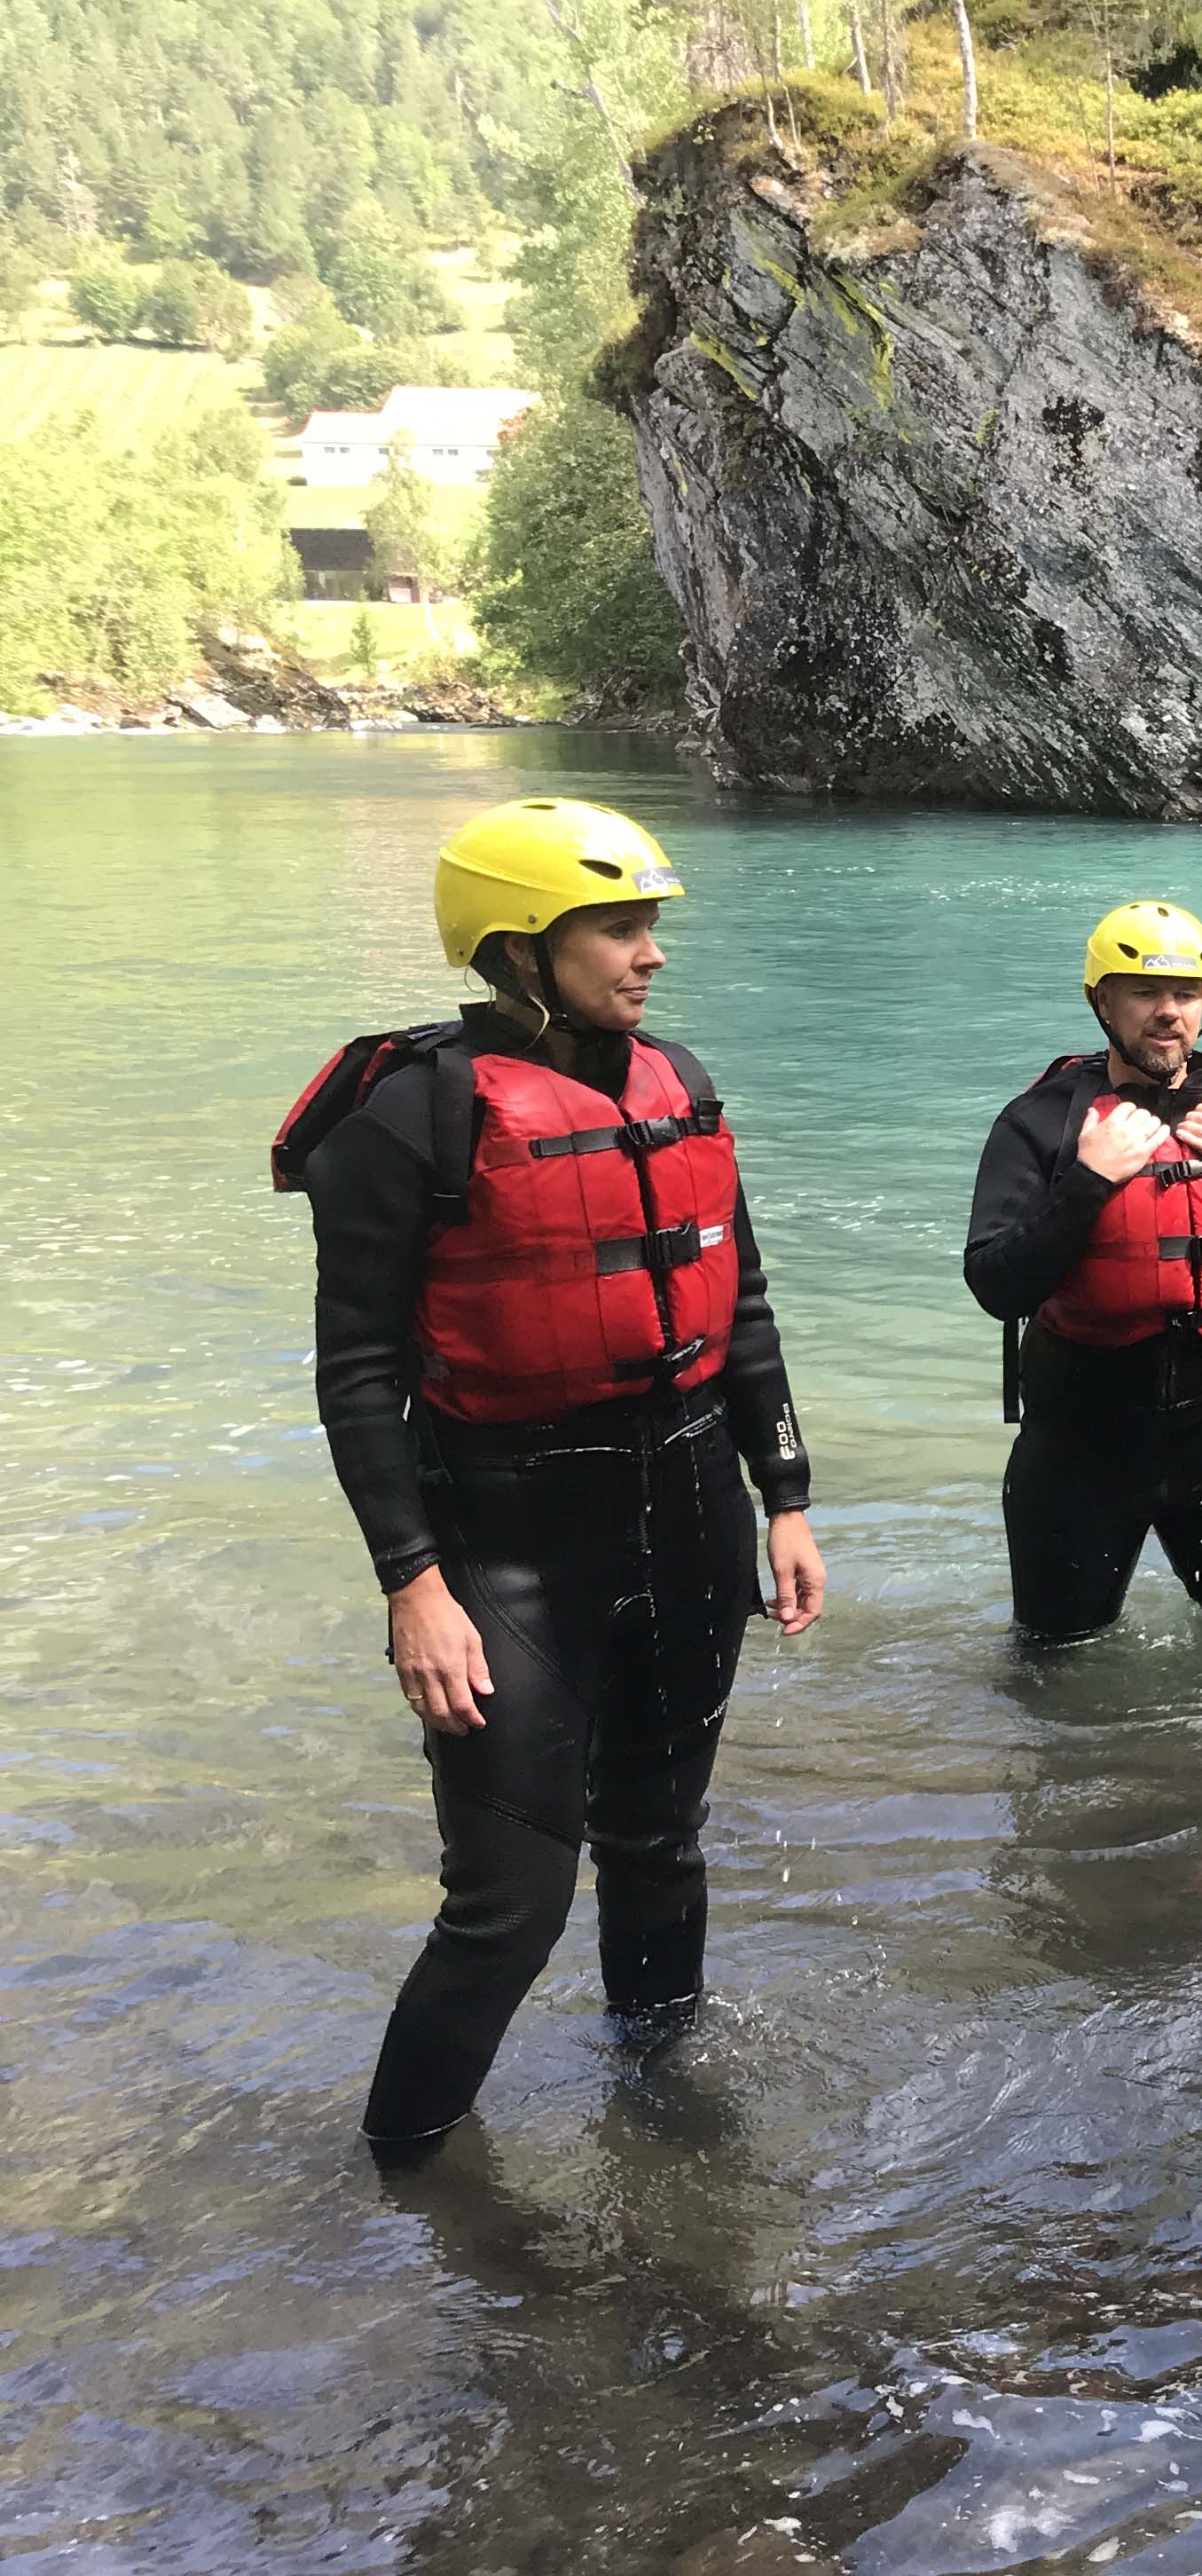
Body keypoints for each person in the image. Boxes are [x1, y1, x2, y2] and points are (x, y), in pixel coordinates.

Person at [278, 798, 824, 2158]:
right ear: (522, 946)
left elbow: (739, 1307)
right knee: (507, 1902)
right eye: (621, 927)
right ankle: (403, 2171)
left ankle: (664, 2119)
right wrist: (414, 1586)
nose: (651, 955)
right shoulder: (408, 1113)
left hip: (692, 1516)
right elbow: (357, 1375)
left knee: (661, 1845)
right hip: (508, 1548)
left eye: (653, 926)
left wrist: (788, 1497)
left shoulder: (681, 1080)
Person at [963, 901, 1202, 1642]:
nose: (1168, 1013)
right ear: (1101, 1002)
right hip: (1079, 1448)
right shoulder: (1041, 1123)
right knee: (1055, 1665)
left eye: (1186, 994)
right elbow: (996, 1285)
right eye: (1144, 992)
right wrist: (1087, 1179)